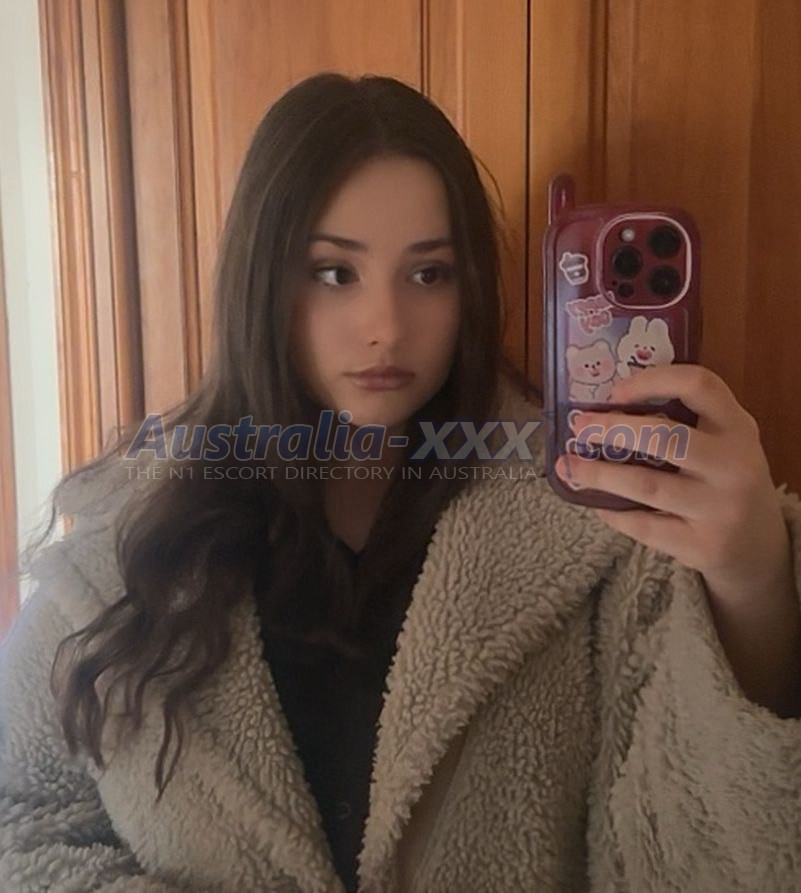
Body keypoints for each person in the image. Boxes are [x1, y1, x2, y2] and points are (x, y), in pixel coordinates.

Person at [1, 72, 800, 893]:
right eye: (333, 272)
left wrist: (757, 583)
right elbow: (20, 821)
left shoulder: (597, 524)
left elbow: (698, 855)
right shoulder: (126, 540)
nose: (385, 326)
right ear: (259, 279)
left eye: (428, 274)